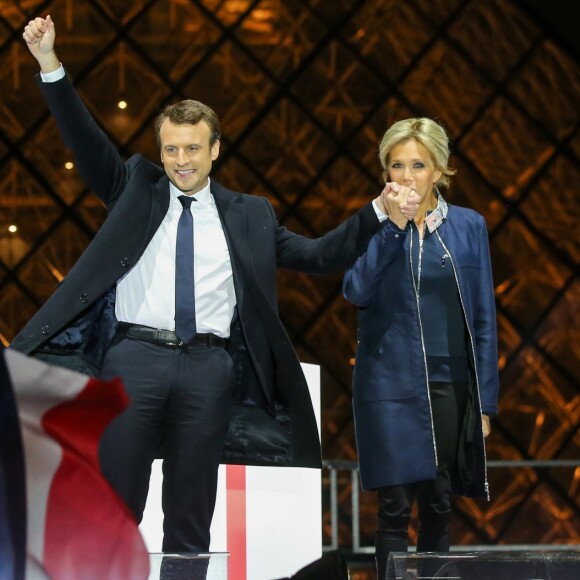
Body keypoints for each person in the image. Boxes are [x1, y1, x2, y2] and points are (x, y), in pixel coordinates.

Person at [14, 16, 420, 553]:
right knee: (110, 508)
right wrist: (49, 65)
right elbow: (85, 141)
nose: (180, 161)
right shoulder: (135, 187)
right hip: (133, 361)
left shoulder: (250, 215)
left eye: (192, 149)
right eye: (171, 149)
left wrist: (377, 212)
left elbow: (321, 255)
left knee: (191, 514)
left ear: (215, 150)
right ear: (160, 152)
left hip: (209, 369)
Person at [342, 118, 499, 578]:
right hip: (390, 384)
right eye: (396, 165)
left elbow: (485, 320)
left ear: (439, 170)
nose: (406, 176)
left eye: (418, 165)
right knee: (393, 506)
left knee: (439, 501)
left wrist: (485, 402)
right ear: (385, 172)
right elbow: (355, 290)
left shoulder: (470, 226)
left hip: (449, 383)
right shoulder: (373, 224)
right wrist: (392, 227)